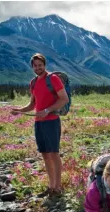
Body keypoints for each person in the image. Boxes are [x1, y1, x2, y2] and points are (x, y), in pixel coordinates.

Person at [11, 53, 69, 197]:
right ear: (32, 67)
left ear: (44, 65)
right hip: (39, 123)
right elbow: (32, 104)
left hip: (52, 121)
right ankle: (51, 186)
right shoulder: (33, 82)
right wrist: (19, 110)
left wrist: (47, 110)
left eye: (40, 65)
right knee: (45, 155)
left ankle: (58, 187)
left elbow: (64, 99)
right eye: (35, 66)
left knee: (54, 154)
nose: (38, 68)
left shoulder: (53, 79)